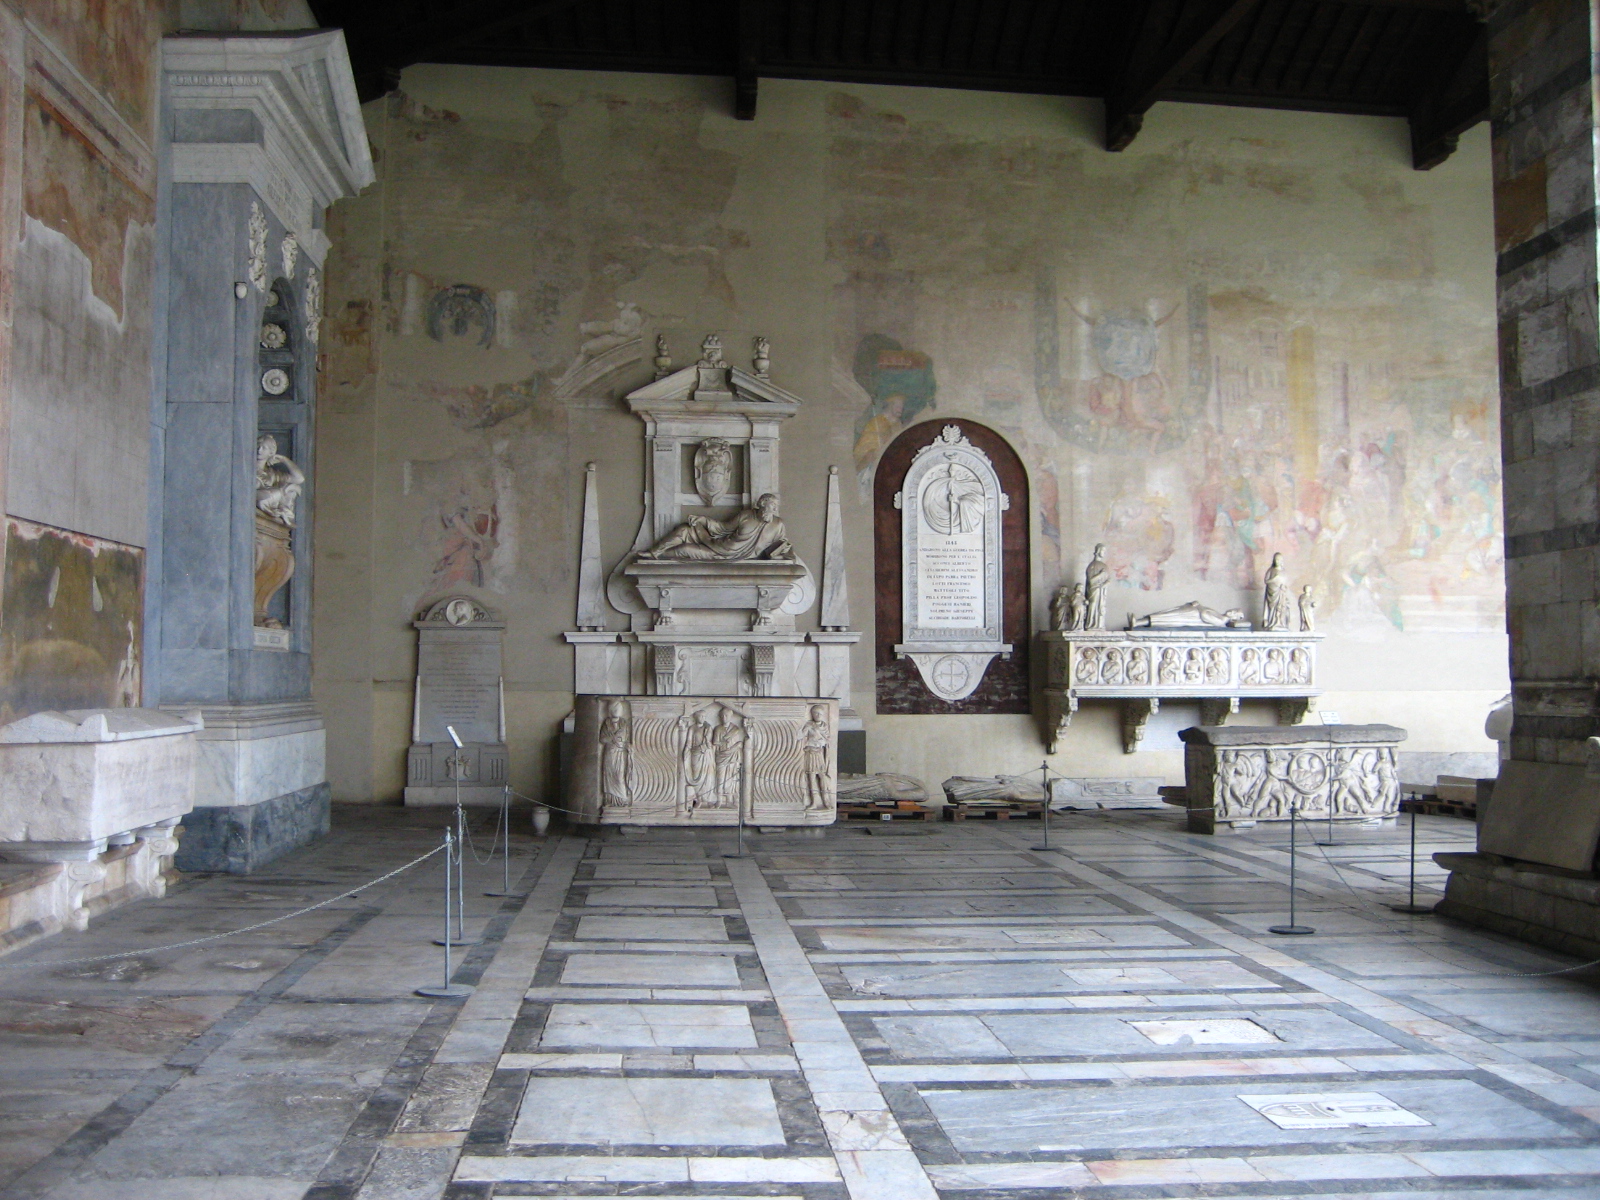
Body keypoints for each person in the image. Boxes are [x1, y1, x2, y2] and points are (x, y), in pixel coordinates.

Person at [641, 492, 793, 561]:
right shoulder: (746, 515)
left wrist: (782, 554)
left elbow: (783, 545)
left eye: (776, 506)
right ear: (762, 504)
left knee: (684, 549)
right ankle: (654, 552)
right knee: (684, 529)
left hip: (729, 557)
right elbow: (722, 528)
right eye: (772, 504)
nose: (774, 508)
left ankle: (659, 557)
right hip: (720, 546)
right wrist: (702, 520)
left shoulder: (777, 524)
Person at [1262, 552, 1292, 630]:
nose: (1277, 561)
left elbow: (1286, 583)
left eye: (1279, 560)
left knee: (1281, 608)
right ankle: (1272, 622)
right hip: (1272, 593)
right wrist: (1274, 579)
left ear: (1282, 561)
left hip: (1281, 592)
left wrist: (1284, 587)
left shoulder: (1284, 571)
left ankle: (1280, 623)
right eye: (1276, 559)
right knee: (1273, 608)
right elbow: (1266, 581)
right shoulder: (1270, 570)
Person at [1083, 543, 1110, 629]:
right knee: (1093, 605)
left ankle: (1099, 625)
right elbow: (1091, 581)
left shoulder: (1104, 566)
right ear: (1098, 551)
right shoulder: (1092, 565)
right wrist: (1100, 575)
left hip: (1102, 591)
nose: (1104, 553)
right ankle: (1090, 624)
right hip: (1094, 590)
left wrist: (1105, 584)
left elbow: (1108, 580)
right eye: (1103, 550)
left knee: (1101, 608)